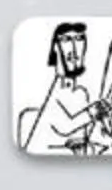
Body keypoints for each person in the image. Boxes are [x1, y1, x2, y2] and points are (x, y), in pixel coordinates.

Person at [16, 22, 98, 153]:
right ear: (55, 46)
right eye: (66, 40)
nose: (74, 48)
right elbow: (65, 126)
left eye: (79, 39)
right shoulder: (58, 89)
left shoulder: (81, 93)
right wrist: (96, 111)